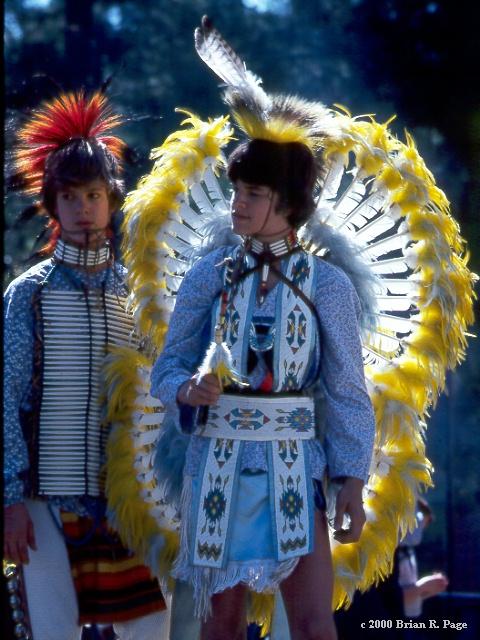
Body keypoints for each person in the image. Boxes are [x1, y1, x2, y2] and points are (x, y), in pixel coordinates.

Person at [150, 136, 376, 640]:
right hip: (216, 466)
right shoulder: (209, 275)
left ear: (288, 203)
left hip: (296, 464)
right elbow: (167, 367)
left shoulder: (327, 285)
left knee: (315, 625)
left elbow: (346, 392)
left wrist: (352, 482)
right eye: (236, 190)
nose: (238, 203)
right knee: (221, 626)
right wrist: (187, 389)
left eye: (253, 192)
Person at [3, 90, 170, 640]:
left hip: (131, 497)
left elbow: (161, 393)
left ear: (113, 198)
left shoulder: (140, 296)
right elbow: (5, 398)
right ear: (53, 204)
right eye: (70, 196)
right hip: (44, 499)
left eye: (94, 194)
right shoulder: (28, 295)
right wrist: (9, 501)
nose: (83, 209)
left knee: (151, 630)